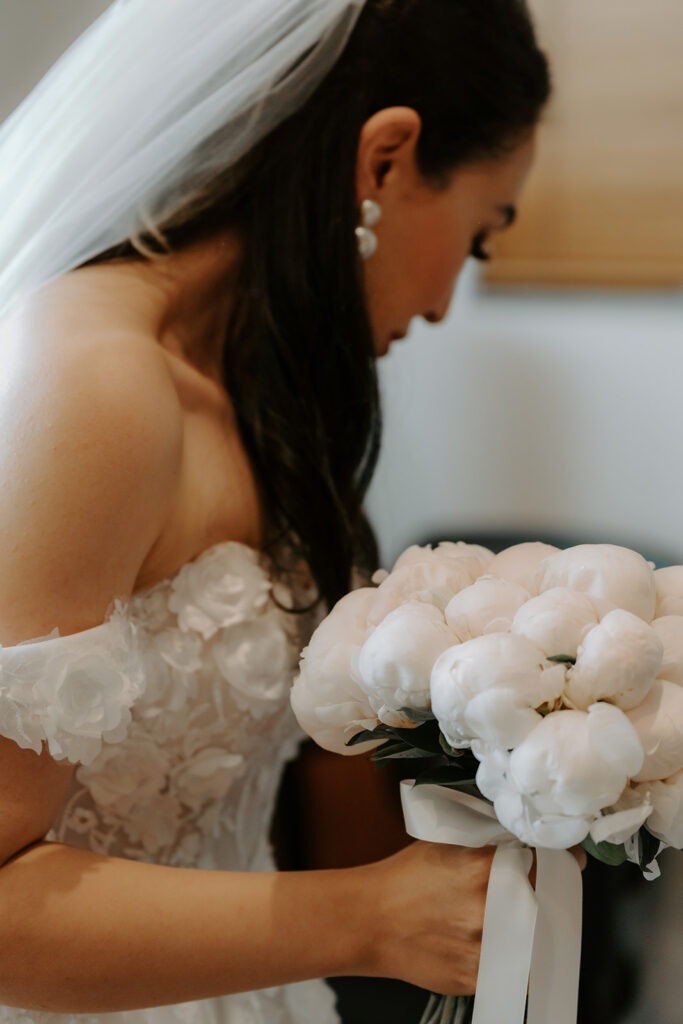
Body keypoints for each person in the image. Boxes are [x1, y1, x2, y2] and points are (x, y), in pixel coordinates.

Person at [0, 1, 586, 1021]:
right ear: (386, 161)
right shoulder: (94, 387)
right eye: (479, 236)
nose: (449, 301)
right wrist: (367, 917)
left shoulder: (241, 394)